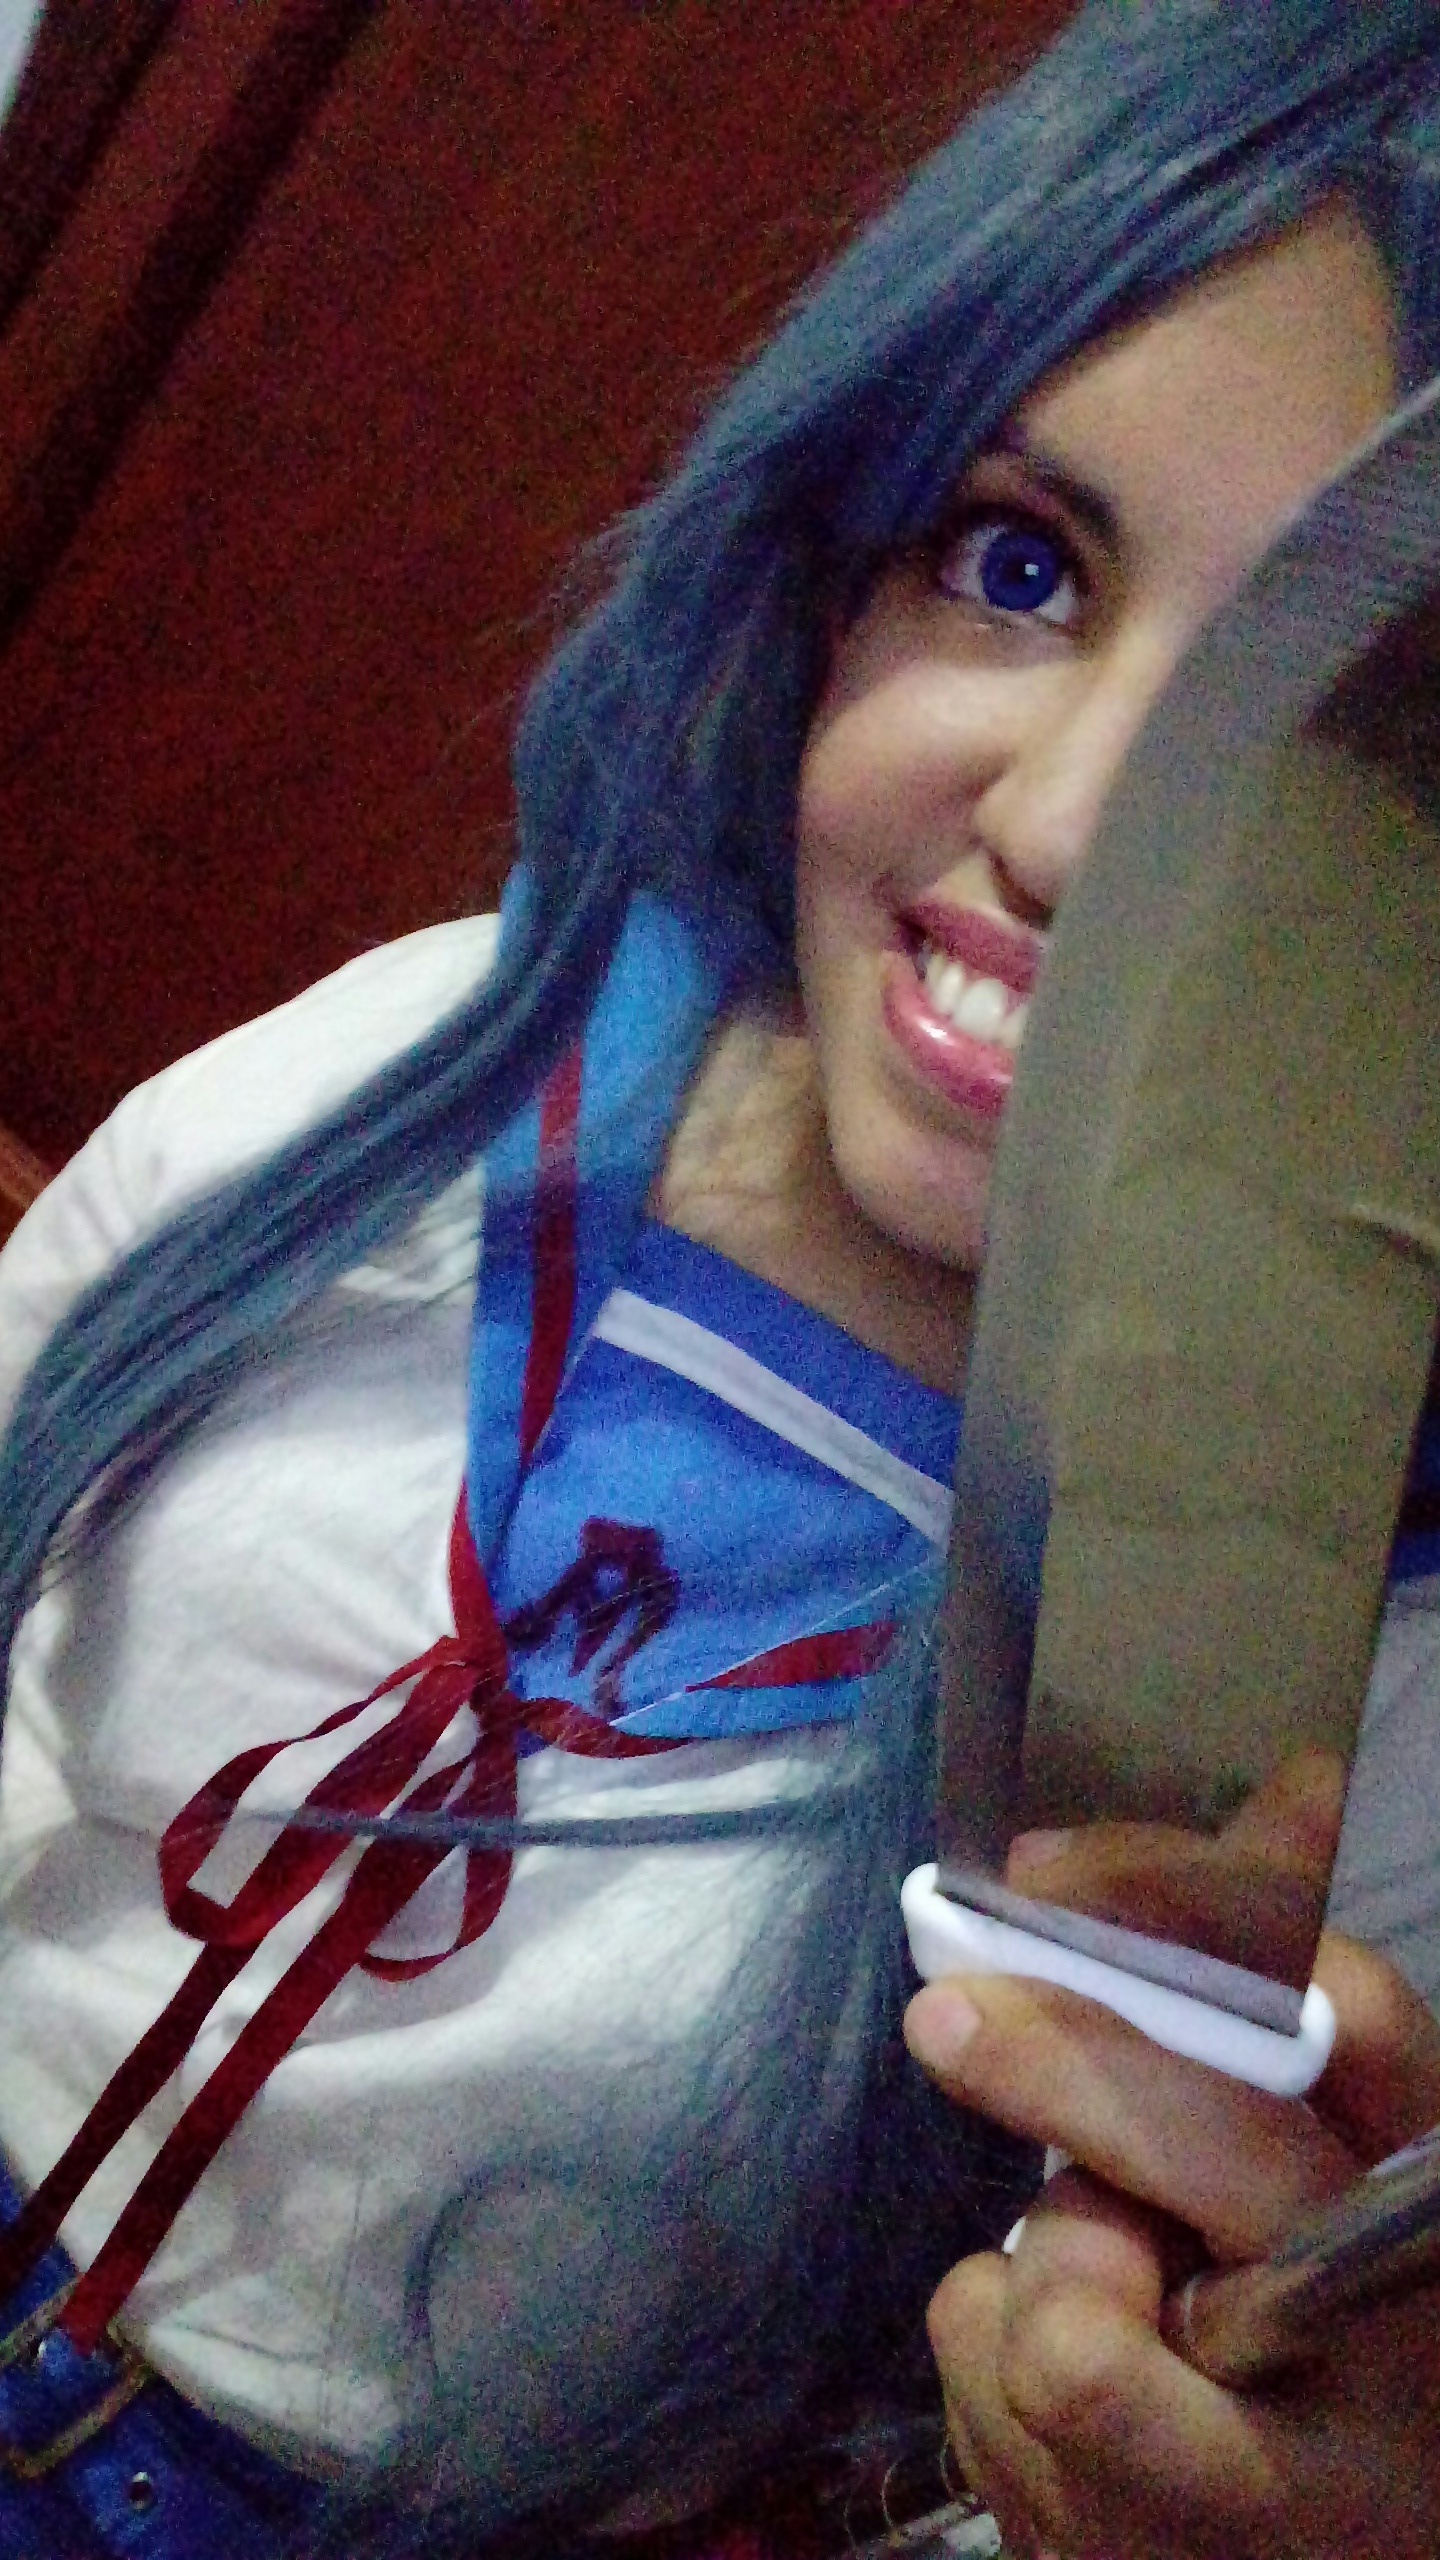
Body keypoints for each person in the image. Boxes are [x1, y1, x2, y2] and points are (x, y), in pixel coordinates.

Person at [1, 4, 1438, 2555]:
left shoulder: (1350, 1732)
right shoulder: (433, 1069)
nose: (1077, 825)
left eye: (1340, 749)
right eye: (1020, 563)